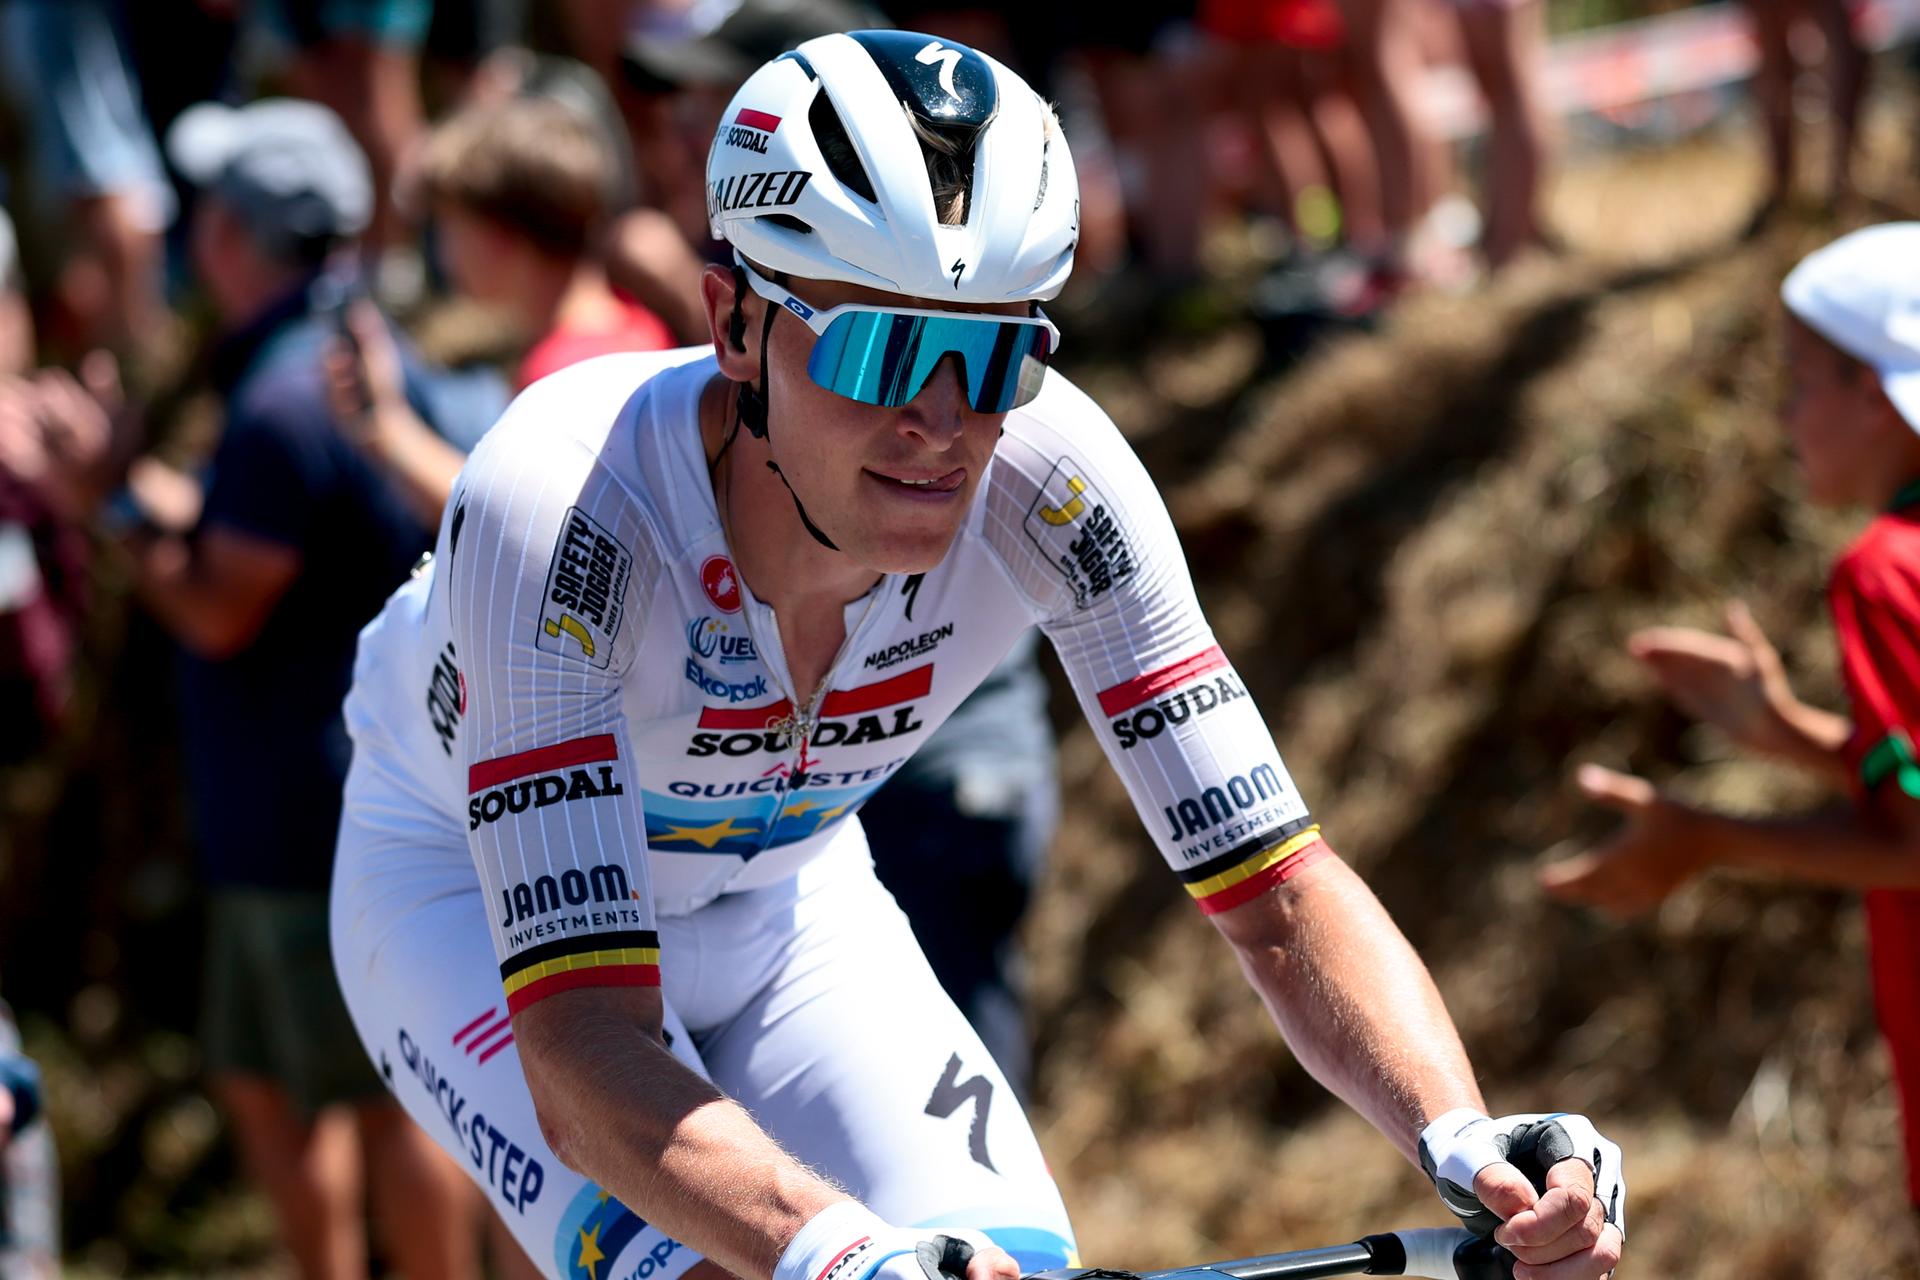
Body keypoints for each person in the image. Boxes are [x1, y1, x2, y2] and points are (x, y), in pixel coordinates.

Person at [330, 30, 1629, 1280]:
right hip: (464, 900)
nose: (941, 423)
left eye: (995, 353)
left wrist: (1461, 1137)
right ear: (731, 324)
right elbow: (580, 1047)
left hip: (785, 893)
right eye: (883, 347)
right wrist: (840, 1252)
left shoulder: (1054, 480)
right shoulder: (564, 510)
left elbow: (1278, 891)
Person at [19, 96, 505, 1280]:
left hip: (313, 820)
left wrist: (105, 501)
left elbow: (221, 602)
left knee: (391, 1099)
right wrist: (140, 489)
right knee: (275, 1083)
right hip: (327, 805)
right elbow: (270, 551)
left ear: (239, 238)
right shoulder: (352, 355)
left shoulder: (285, 401)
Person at [1543, 222, 1920, 1208]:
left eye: (1801, 381)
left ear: (1876, 392)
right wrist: (1792, 735)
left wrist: (1702, 838)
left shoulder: (1886, 569)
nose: (1786, 414)